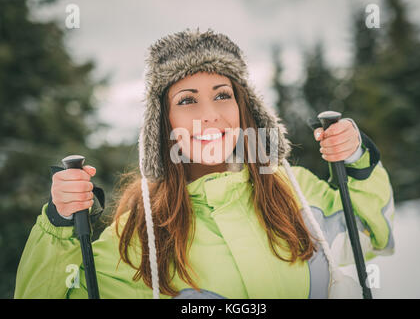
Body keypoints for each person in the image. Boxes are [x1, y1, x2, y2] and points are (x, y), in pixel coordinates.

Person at [14, 28, 395, 299]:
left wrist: (356, 159)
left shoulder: (294, 190)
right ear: (164, 124)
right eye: (187, 100)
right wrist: (61, 224)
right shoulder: (139, 235)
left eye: (222, 94)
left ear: (245, 108)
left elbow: (372, 230)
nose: (210, 115)